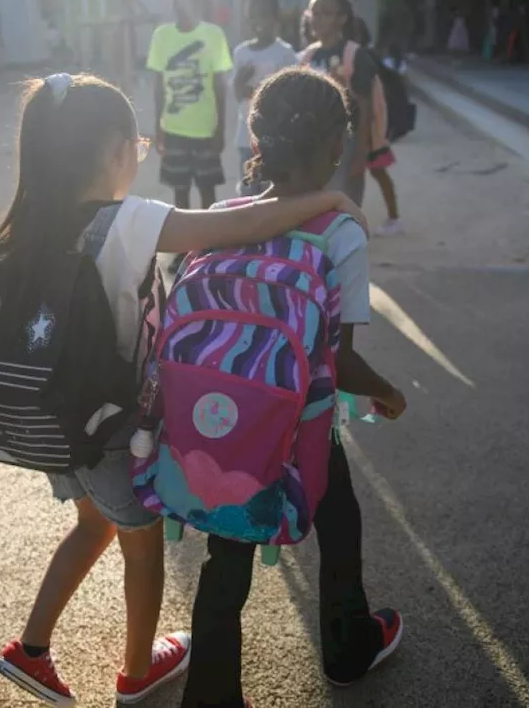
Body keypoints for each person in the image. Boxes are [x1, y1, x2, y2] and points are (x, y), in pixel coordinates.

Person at [0, 72, 362, 708]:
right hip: (107, 427)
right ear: (111, 152)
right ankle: (138, 672)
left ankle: (32, 648)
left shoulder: (27, 223)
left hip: (52, 427)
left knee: (89, 529)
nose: (140, 153)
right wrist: (330, 206)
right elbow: (233, 230)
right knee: (142, 548)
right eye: (136, 142)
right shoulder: (126, 222)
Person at [180, 66, 406, 708]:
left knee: (226, 556)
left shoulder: (231, 214)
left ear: (258, 139)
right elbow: (340, 360)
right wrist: (390, 393)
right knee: (339, 522)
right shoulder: (341, 230)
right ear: (338, 145)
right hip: (302, 419)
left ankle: (211, 694)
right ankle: (347, 648)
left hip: (229, 417)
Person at [302, 0, 403, 236]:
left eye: (326, 13)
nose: (317, 18)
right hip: (318, 141)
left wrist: (360, 152)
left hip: (346, 139)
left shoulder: (354, 54)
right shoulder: (309, 55)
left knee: (344, 203)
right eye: (314, 12)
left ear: (342, 19)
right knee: (318, 200)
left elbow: (364, 106)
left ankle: (347, 249)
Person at [148, 0, 233, 212]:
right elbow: (158, 86)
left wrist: (220, 130)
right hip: (174, 130)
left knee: (208, 190)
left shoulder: (214, 35)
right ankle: (189, 244)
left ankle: (209, 244)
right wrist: (158, 127)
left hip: (205, 130)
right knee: (180, 190)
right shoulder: (161, 36)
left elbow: (220, 86)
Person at [232, 0, 299, 197]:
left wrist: (252, 90)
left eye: (264, 16)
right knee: (248, 190)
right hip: (246, 136)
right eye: (253, 16)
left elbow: (288, 97)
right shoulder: (241, 52)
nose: (258, 22)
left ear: (276, 19)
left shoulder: (285, 53)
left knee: (272, 190)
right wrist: (239, 82)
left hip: (275, 136)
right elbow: (237, 93)